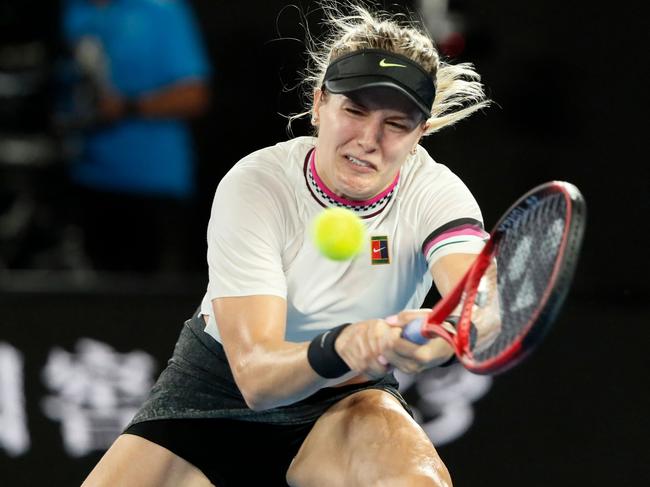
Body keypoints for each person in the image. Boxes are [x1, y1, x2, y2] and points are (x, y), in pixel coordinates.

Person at [81, 2, 490, 486]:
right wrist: (347, 342)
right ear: (319, 104)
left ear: (420, 133)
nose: (369, 139)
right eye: (354, 111)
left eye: (396, 124)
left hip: (348, 401)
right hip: (216, 393)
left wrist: (448, 337)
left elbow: (478, 305)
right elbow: (257, 378)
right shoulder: (258, 184)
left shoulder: (436, 193)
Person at [60, 0, 211, 273]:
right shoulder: (71, 11)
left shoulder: (162, 11)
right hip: (84, 180)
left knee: (147, 306)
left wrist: (127, 107)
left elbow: (194, 95)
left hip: (152, 186)